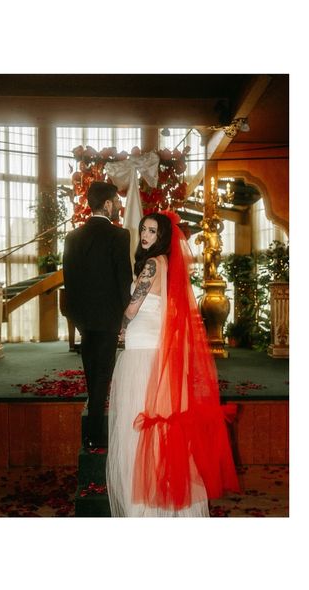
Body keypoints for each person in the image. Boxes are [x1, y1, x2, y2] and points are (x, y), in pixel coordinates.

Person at [106, 211, 239, 517]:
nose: (145, 235)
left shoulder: (153, 264)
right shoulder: (166, 264)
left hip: (142, 351)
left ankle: (146, 505)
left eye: (152, 231)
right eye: (144, 230)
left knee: (139, 425)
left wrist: (121, 323)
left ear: (162, 236)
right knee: (158, 424)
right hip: (151, 346)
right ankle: (163, 504)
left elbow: (134, 305)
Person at [63, 181, 133, 450]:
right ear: (107, 204)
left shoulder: (72, 237)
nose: (118, 206)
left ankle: (92, 431)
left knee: (92, 372)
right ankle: (94, 435)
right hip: (108, 318)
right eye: (116, 201)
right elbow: (122, 279)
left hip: (83, 318)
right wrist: (125, 319)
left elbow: (70, 281)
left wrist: (77, 317)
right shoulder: (119, 236)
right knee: (102, 374)